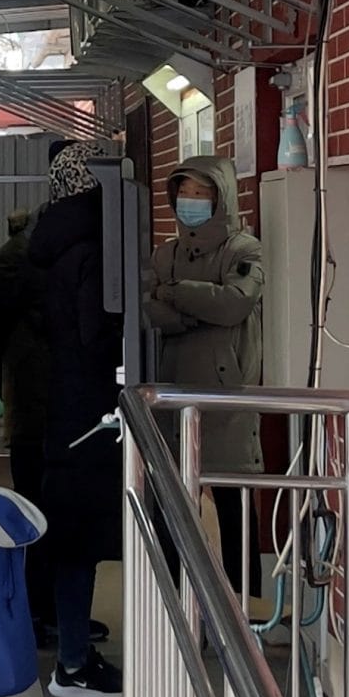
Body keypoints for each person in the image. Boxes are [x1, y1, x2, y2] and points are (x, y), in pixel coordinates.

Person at [23, 147, 126, 697]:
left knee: (71, 536)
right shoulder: (93, 247)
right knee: (79, 538)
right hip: (89, 411)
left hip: (61, 405)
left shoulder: (52, 243)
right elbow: (97, 334)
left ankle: (73, 652)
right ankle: (73, 665)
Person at [146, 156, 268, 593]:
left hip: (226, 395)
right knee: (177, 497)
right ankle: (180, 592)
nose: (191, 202)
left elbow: (233, 304)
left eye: (201, 194)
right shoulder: (166, 253)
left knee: (232, 494)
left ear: (220, 198)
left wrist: (175, 294)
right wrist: (196, 309)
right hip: (174, 389)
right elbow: (150, 311)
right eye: (184, 193)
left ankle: (242, 602)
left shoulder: (244, 248)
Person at [0, 209, 51, 626]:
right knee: (34, 506)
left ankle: (47, 609)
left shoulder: (40, 247)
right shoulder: (19, 256)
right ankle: (33, 611)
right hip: (33, 405)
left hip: (42, 401)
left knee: (51, 506)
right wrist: (10, 373)